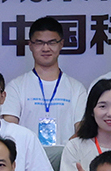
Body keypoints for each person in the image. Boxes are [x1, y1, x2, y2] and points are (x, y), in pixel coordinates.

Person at [7, 15, 90, 160]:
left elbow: (82, 130)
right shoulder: (16, 86)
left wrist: (62, 155)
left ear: (61, 44)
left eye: (52, 42)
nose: (46, 48)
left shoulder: (76, 88)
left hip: (65, 160)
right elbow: (10, 129)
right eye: (39, 42)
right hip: (26, 159)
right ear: (30, 45)